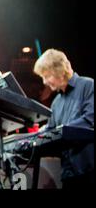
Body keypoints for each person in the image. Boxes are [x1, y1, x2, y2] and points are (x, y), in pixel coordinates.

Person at [33, 48, 94, 188]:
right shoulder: (56, 103)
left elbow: (89, 120)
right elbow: (50, 130)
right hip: (68, 175)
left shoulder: (89, 86)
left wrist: (60, 131)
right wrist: (32, 137)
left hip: (89, 171)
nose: (44, 82)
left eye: (46, 76)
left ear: (60, 70)